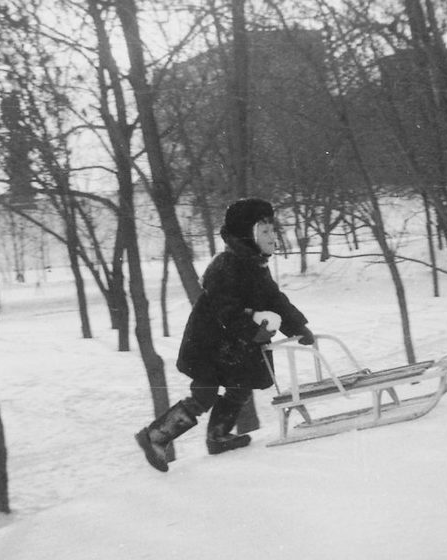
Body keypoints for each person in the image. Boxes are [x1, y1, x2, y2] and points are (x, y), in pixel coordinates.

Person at [134, 197, 315, 473]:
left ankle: (218, 435)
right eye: (264, 231)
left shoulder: (256, 267)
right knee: (204, 393)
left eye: (272, 230)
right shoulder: (227, 266)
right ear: (247, 235)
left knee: (240, 387)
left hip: (236, 346)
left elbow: (276, 300)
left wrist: (297, 326)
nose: (272, 237)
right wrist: (252, 325)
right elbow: (225, 310)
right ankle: (156, 436)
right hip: (212, 344)